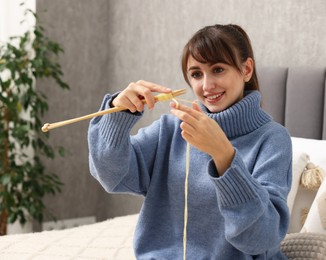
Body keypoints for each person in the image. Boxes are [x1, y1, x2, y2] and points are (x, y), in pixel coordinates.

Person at [88, 24, 292, 259]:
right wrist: (116, 115)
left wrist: (225, 156)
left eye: (218, 69)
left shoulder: (272, 139)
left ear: (246, 70)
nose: (206, 86)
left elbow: (261, 239)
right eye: (196, 74)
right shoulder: (172, 129)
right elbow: (112, 176)